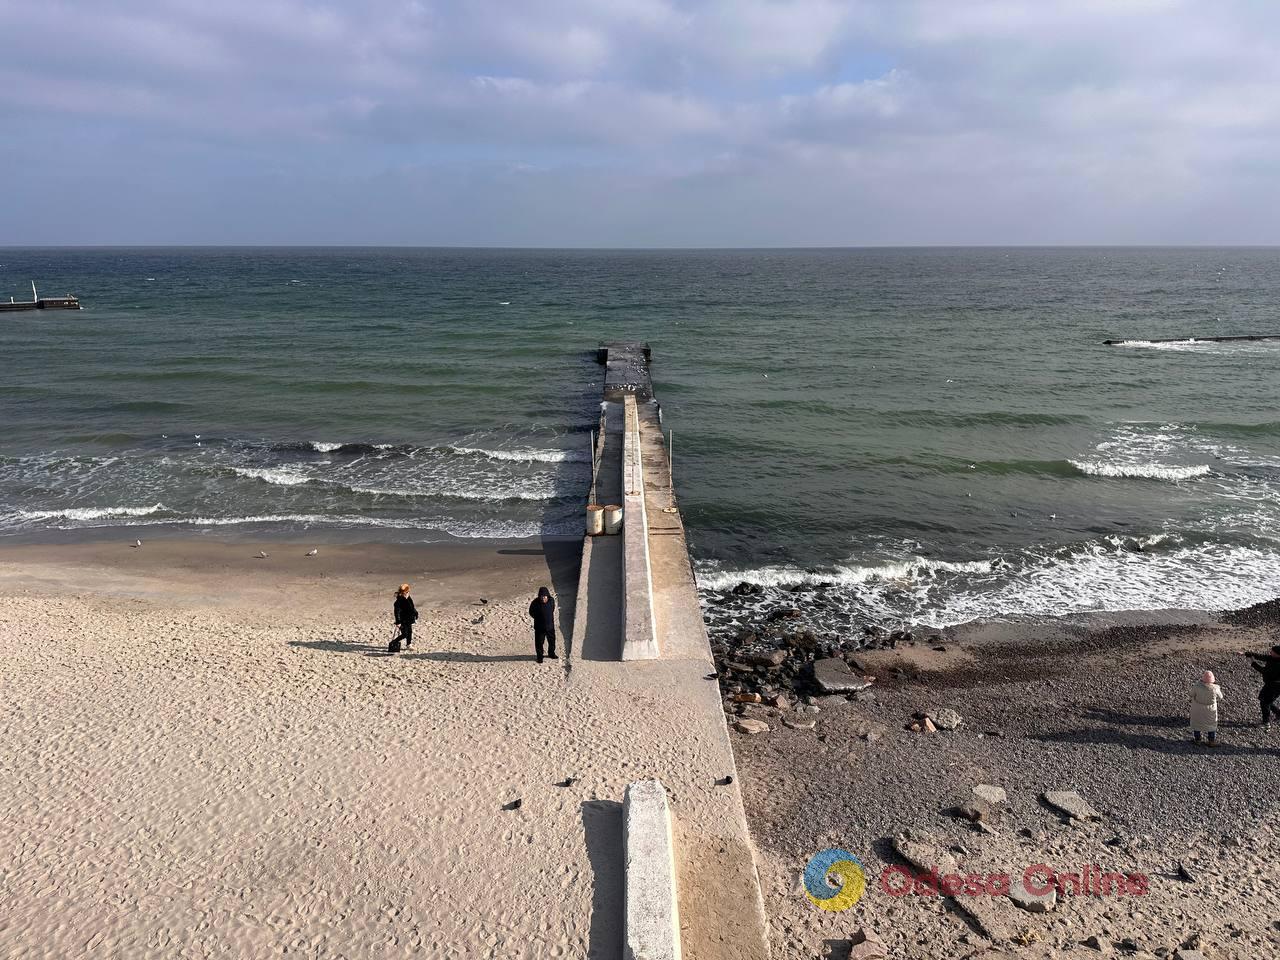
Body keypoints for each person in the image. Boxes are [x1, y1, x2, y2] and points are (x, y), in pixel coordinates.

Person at [1245, 644, 1280, 726]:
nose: (1270, 652)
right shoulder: (1273, 658)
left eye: (1272, 652)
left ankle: (1266, 721)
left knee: (1265, 702)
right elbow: (1263, 657)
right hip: (1270, 684)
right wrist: (1248, 653)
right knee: (1263, 699)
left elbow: (1264, 671)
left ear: (1278, 654)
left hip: (1275, 686)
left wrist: (1253, 663)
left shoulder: (1278, 665)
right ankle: (1278, 713)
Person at [1189, 670, 1224, 745]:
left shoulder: (1197, 686)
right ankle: (1211, 741)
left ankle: (1197, 740)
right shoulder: (1216, 688)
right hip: (1211, 709)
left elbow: (1191, 694)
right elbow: (1221, 697)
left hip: (1197, 708)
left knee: (1197, 723)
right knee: (1211, 724)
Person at [529, 586, 557, 663]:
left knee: (552, 642)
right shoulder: (535, 603)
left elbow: (552, 609)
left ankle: (551, 654)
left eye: (544, 596)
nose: (543, 598)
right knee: (539, 643)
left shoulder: (551, 601)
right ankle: (540, 657)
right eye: (541, 597)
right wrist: (538, 618)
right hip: (539, 628)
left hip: (550, 627)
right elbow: (531, 612)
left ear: (547, 596)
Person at [393, 583, 417, 652]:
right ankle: (395, 641)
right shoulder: (398, 601)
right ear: (402, 593)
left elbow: (412, 607)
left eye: (408, 592)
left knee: (410, 632)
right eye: (406, 592)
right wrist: (398, 622)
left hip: (409, 619)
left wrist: (415, 613)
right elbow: (396, 612)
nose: (408, 593)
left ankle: (408, 644)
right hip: (403, 620)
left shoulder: (408, 598)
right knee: (404, 634)